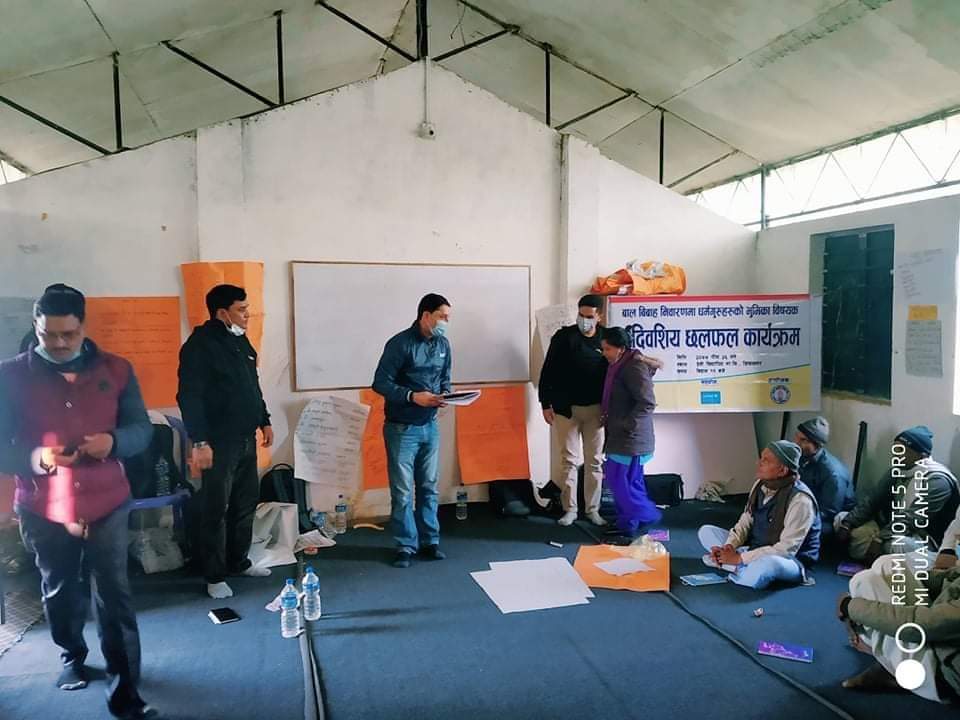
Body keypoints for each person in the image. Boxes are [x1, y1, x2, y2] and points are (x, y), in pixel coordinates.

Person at [0, 284, 158, 719]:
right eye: (48, 334)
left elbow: (142, 429)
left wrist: (114, 441)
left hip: (108, 501)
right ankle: (72, 654)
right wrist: (36, 456)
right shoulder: (9, 375)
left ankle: (126, 692)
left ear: (83, 327)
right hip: (44, 505)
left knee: (114, 595)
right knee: (60, 588)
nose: (58, 343)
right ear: (36, 327)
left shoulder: (117, 369)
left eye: (67, 334)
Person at [177, 284, 273, 599]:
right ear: (222, 313)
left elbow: (252, 386)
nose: (248, 315)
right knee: (216, 508)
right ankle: (215, 575)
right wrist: (200, 441)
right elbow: (189, 397)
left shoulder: (240, 341)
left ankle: (238, 561)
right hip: (217, 442)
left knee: (245, 503)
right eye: (241, 310)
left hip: (246, 438)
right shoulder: (199, 346)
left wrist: (265, 419)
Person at [372, 293, 452, 569]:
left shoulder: (443, 344)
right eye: (442, 317)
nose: (445, 322)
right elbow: (380, 383)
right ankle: (405, 545)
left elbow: (445, 378)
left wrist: (446, 394)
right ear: (425, 315)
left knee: (429, 486)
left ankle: (431, 541)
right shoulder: (400, 344)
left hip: (430, 425)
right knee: (403, 491)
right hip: (402, 428)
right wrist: (412, 396)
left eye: (448, 318)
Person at [836, 554, 960, 702]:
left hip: (943, 677)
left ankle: (892, 665)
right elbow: (948, 580)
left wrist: (848, 606)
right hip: (942, 640)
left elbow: (916, 625)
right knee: (888, 565)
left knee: (862, 583)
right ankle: (886, 654)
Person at [698, 441, 821, 590]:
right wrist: (729, 546)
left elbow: (785, 550)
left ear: (782, 470)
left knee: (769, 566)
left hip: (790, 561)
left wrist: (739, 558)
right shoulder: (760, 485)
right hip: (755, 548)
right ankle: (736, 566)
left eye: (766, 461)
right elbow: (745, 521)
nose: (759, 463)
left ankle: (734, 567)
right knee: (706, 532)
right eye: (761, 458)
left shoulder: (801, 500)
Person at [836, 426, 959, 564]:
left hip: (921, 539)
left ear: (921, 455)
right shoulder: (898, 470)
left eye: (901, 450)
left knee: (898, 545)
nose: (896, 455)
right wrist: (848, 523)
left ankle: (873, 557)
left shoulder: (938, 481)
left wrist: (879, 539)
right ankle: (877, 559)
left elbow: (912, 519)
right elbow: (872, 501)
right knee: (841, 518)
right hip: (890, 529)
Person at [537, 295, 610, 527]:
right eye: (581, 315)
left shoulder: (606, 338)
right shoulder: (563, 337)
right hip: (566, 409)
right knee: (568, 461)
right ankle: (570, 509)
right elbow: (548, 371)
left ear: (599, 316)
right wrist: (545, 403)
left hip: (596, 410)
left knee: (595, 461)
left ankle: (593, 510)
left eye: (589, 316)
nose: (584, 320)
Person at [597, 326, 662, 544]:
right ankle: (629, 524)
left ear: (621, 348)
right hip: (622, 437)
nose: (604, 353)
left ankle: (647, 515)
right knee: (629, 483)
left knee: (619, 482)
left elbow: (647, 403)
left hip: (630, 439)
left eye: (607, 349)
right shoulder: (619, 365)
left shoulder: (633, 367)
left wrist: (626, 424)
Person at [793, 416, 854, 537]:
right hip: (808, 509)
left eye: (803, 440)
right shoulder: (802, 458)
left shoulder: (833, 473)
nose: (796, 443)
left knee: (797, 532)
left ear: (817, 445)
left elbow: (829, 512)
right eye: (797, 437)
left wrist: (799, 519)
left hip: (829, 520)